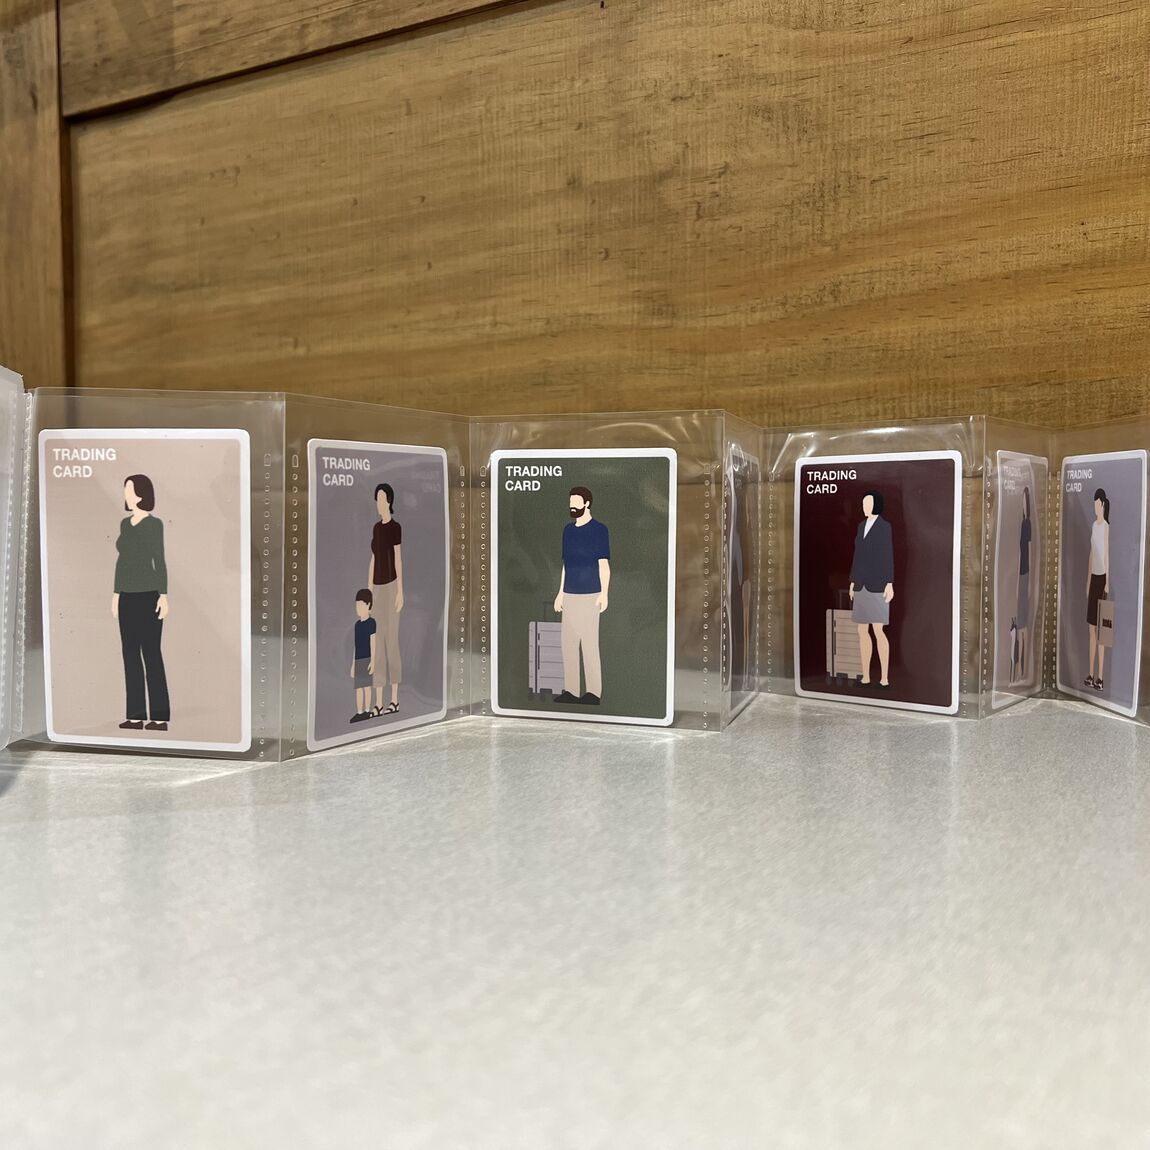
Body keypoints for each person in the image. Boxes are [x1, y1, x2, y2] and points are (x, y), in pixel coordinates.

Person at [112, 474, 170, 731]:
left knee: (152, 654)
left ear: (142, 494)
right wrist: (116, 594)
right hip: (127, 597)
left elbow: (160, 560)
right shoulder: (125, 524)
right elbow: (122, 562)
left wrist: (164, 595)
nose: (126, 494)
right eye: (125, 490)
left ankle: (159, 718)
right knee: (130, 655)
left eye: (130, 490)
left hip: (149, 596)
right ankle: (135, 716)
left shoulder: (154, 524)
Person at [553, 485, 610, 705]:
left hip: (590, 594)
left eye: (576, 503)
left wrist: (604, 593)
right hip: (570, 595)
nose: (572, 507)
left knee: (589, 643)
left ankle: (593, 693)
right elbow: (566, 565)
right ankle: (571, 690)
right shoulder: (567, 531)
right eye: (571, 503)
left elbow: (604, 565)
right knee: (568, 644)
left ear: (587, 503)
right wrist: (560, 594)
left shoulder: (599, 530)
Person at [848, 490, 894, 688]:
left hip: (878, 585)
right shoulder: (861, 526)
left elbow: (888, 555)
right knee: (861, 630)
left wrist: (889, 583)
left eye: (867, 503)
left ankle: (884, 678)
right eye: (863, 503)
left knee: (878, 630)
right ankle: (866, 676)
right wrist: (852, 582)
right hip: (861, 584)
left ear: (876, 505)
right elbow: (857, 555)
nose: (864, 507)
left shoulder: (885, 527)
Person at [367, 482, 403, 715]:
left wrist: (400, 591)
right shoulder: (376, 529)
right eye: (377, 499)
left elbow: (398, 559)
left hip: (391, 587)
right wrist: (369, 590)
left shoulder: (395, 528)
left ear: (389, 501)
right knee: (376, 644)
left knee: (392, 642)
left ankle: (395, 700)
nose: (378, 503)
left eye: (381, 499)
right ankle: (379, 703)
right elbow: (373, 560)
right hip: (378, 590)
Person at [1085, 487, 1110, 692]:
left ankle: (1100, 677)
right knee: (1091, 628)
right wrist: (1087, 581)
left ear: (1102, 504)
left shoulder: (1105, 527)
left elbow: (1106, 554)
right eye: (1093, 503)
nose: (1094, 506)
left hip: (1102, 579)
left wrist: (1107, 581)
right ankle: (1090, 674)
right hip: (1093, 579)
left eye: (1096, 503)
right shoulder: (1094, 526)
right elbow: (1092, 553)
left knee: (1102, 630)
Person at [349, 588, 377, 723]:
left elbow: (373, 643)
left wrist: (373, 661)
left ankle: (367, 710)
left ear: (368, 605)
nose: (358, 609)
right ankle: (359, 712)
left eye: (361, 605)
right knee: (358, 688)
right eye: (357, 606)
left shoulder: (371, 623)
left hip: (367, 659)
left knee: (367, 687)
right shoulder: (357, 625)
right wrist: (353, 664)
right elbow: (356, 645)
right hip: (358, 659)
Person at [1014, 486, 1033, 678]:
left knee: (1024, 625)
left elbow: (1029, 550)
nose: (1023, 505)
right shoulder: (1022, 523)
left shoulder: (1027, 524)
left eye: (1024, 501)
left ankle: (1023, 668)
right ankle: (1021, 668)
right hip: (1021, 575)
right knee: (1021, 625)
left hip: (1025, 574)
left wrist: (1028, 583)